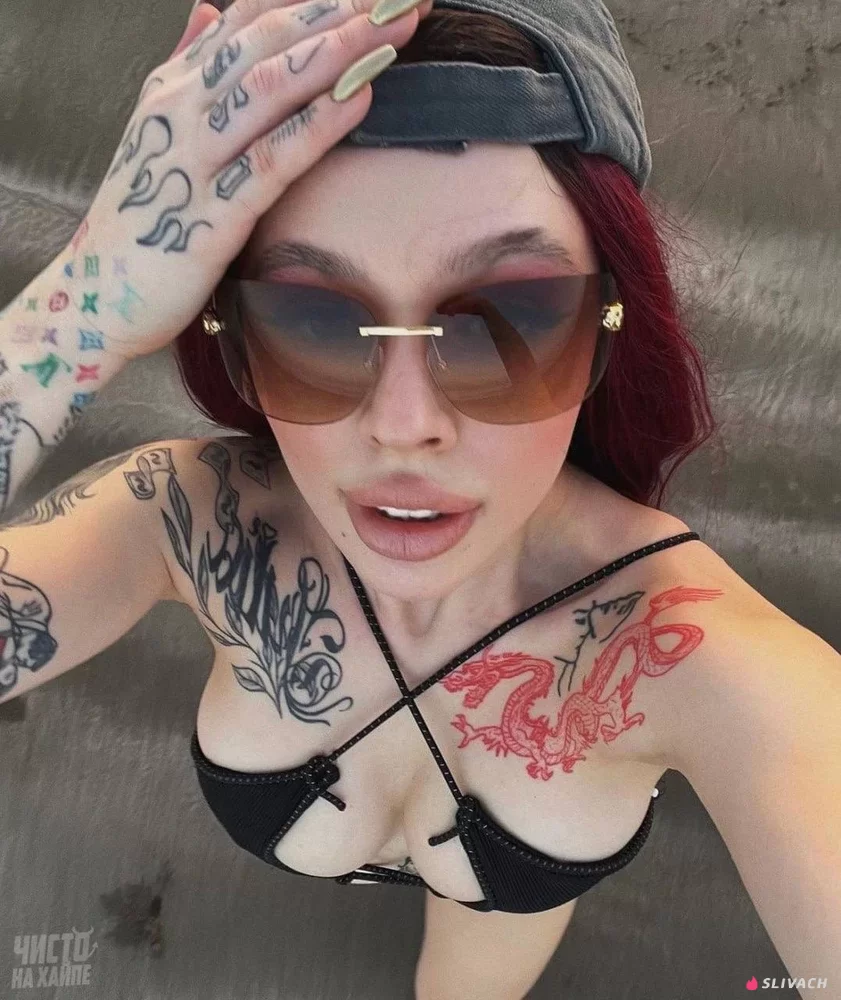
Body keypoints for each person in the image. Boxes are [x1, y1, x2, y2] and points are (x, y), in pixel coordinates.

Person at [2, 2, 839, 999]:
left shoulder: (699, 655)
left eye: (509, 319)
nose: (404, 426)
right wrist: (80, 305)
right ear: (231, 335)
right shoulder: (188, 519)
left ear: (611, 328)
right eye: (312, 320)